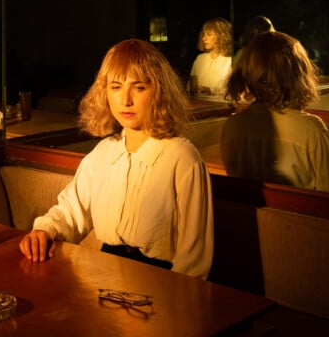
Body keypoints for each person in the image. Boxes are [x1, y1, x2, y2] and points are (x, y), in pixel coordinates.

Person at [18, 39, 214, 280]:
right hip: (104, 275)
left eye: (138, 87)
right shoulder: (104, 153)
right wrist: (44, 230)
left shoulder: (182, 158)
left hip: (161, 281)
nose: (125, 100)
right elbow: (71, 210)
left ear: (159, 91)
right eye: (116, 87)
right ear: (105, 92)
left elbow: (194, 260)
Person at [220, 31, 329, 195]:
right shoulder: (311, 130)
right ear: (297, 73)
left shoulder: (232, 125)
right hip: (297, 212)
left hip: (246, 211)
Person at [189, 17, 233, 96]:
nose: (203, 38)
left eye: (209, 34)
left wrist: (209, 90)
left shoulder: (228, 62)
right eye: (203, 34)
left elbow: (228, 91)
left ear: (222, 36)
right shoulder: (200, 59)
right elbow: (191, 86)